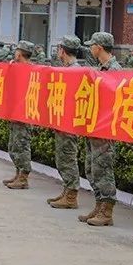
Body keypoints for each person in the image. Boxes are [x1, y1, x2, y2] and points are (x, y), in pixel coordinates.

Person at [73, 32, 123, 225]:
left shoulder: (115, 70)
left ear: (99, 47)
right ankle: (99, 205)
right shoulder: (100, 68)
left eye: (92, 45)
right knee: (91, 168)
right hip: (94, 126)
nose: (90, 49)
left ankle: (107, 211)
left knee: (103, 169)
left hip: (105, 129)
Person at [46, 36, 84, 209]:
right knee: (62, 157)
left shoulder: (75, 71)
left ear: (63, 50)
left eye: (59, 48)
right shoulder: (66, 69)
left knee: (68, 157)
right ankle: (67, 190)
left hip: (69, 123)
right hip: (62, 120)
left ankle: (71, 196)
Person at [3, 40, 35, 189]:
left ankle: (23, 177)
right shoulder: (16, 67)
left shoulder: (31, 70)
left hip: (24, 115)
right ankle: (18, 173)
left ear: (20, 53)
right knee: (14, 145)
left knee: (22, 145)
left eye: (16, 50)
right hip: (15, 113)